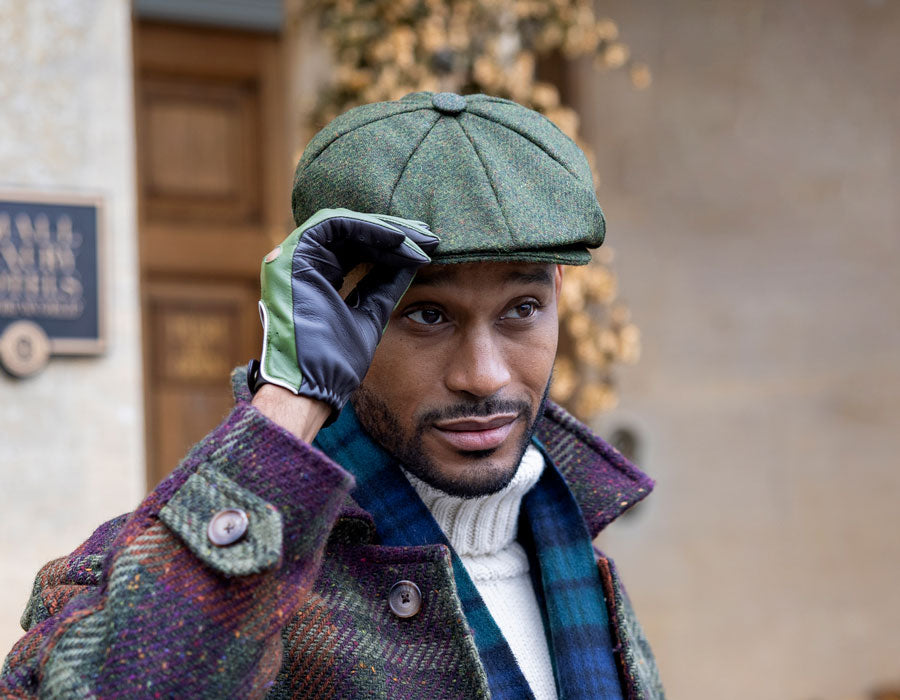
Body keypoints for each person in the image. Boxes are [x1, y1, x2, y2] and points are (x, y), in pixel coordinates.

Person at [1, 92, 664, 699]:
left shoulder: (577, 557)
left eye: (522, 307)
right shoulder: (156, 577)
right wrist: (292, 398)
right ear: (336, 314)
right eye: (427, 315)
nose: (484, 376)